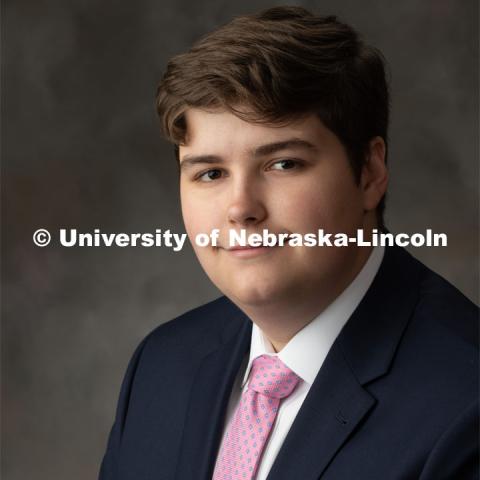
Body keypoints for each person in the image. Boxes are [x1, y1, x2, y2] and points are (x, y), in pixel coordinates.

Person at [99, 6, 478, 480]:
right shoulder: (161, 365)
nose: (241, 208)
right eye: (210, 173)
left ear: (369, 172)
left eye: (283, 164)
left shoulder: (465, 401)